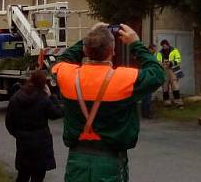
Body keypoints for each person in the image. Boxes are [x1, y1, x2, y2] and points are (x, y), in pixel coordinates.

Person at [52, 23, 164, 182]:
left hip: (77, 160)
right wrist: (135, 44)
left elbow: (62, 60)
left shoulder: (68, 76)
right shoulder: (124, 79)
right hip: (110, 161)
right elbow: (157, 73)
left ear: (85, 50)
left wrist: (88, 38)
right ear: (112, 51)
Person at [5, 69, 64, 182]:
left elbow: (9, 122)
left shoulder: (16, 97)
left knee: (23, 175)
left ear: (30, 80)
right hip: (41, 143)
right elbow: (57, 113)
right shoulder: (43, 99)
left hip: (23, 143)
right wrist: (52, 97)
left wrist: (18, 134)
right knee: (38, 176)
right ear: (43, 84)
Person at [157, 39, 183, 107]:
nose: (164, 47)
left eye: (165, 46)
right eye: (163, 46)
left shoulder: (175, 51)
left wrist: (171, 63)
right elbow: (158, 61)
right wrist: (161, 64)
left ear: (168, 45)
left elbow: (179, 60)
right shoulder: (160, 53)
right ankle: (167, 102)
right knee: (165, 86)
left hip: (173, 69)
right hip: (164, 70)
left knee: (175, 86)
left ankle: (178, 102)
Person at [140, 44, 158, 119]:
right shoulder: (149, 56)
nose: (155, 51)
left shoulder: (146, 55)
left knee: (146, 96)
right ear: (150, 49)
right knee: (147, 96)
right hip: (147, 78)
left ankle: (145, 113)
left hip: (145, 77)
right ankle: (147, 113)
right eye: (154, 49)